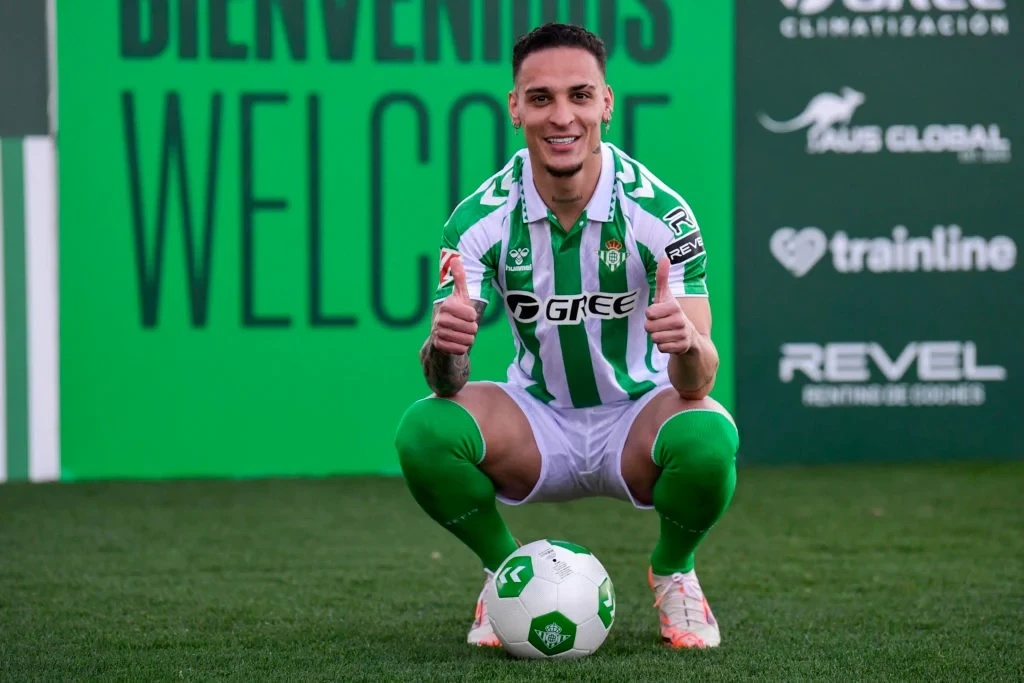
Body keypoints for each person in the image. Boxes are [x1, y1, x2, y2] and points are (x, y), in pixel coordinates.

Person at [394, 22, 739, 650]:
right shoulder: (476, 221)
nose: (562, 117)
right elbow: (447, 382)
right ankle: (504, 574)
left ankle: (674, 572)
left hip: (637, 417)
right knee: (425, 429)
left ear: (606, 102)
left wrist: (687, 344)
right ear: (515, 108)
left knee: (710, 433)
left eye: (580, 95)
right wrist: (444, 348)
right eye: (541, 98)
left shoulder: (663, 215)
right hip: (537, 420)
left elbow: (699, 382)